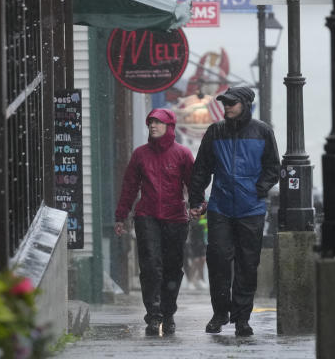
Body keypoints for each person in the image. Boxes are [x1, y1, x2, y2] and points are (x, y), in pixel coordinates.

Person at [188, 86, 280, 337]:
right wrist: (196, 200)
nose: (227, 106)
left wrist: (258, 189)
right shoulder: (215, 131)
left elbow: (273, 167)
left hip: (251, 208)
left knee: (247, 265)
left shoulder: (262, 131)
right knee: (217, 261)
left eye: (232, 102)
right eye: (225, 102)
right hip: (221, 207)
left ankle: (242, 319)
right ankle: (220, 314)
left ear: (245, 104)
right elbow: (201, 169)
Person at [114, 108, 195, 336]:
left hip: (176, 218)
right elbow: (129, 186)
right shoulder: (140, 154)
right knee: (150, 267)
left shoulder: (183, 154)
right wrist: (121, 216)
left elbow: (193, 184)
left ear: (170, 127)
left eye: (158, 123)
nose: (153, 126)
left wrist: (198, 206)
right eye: (150, 122)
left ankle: (168, 313)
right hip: (147, 216)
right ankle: (153, 315)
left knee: (172, 268)